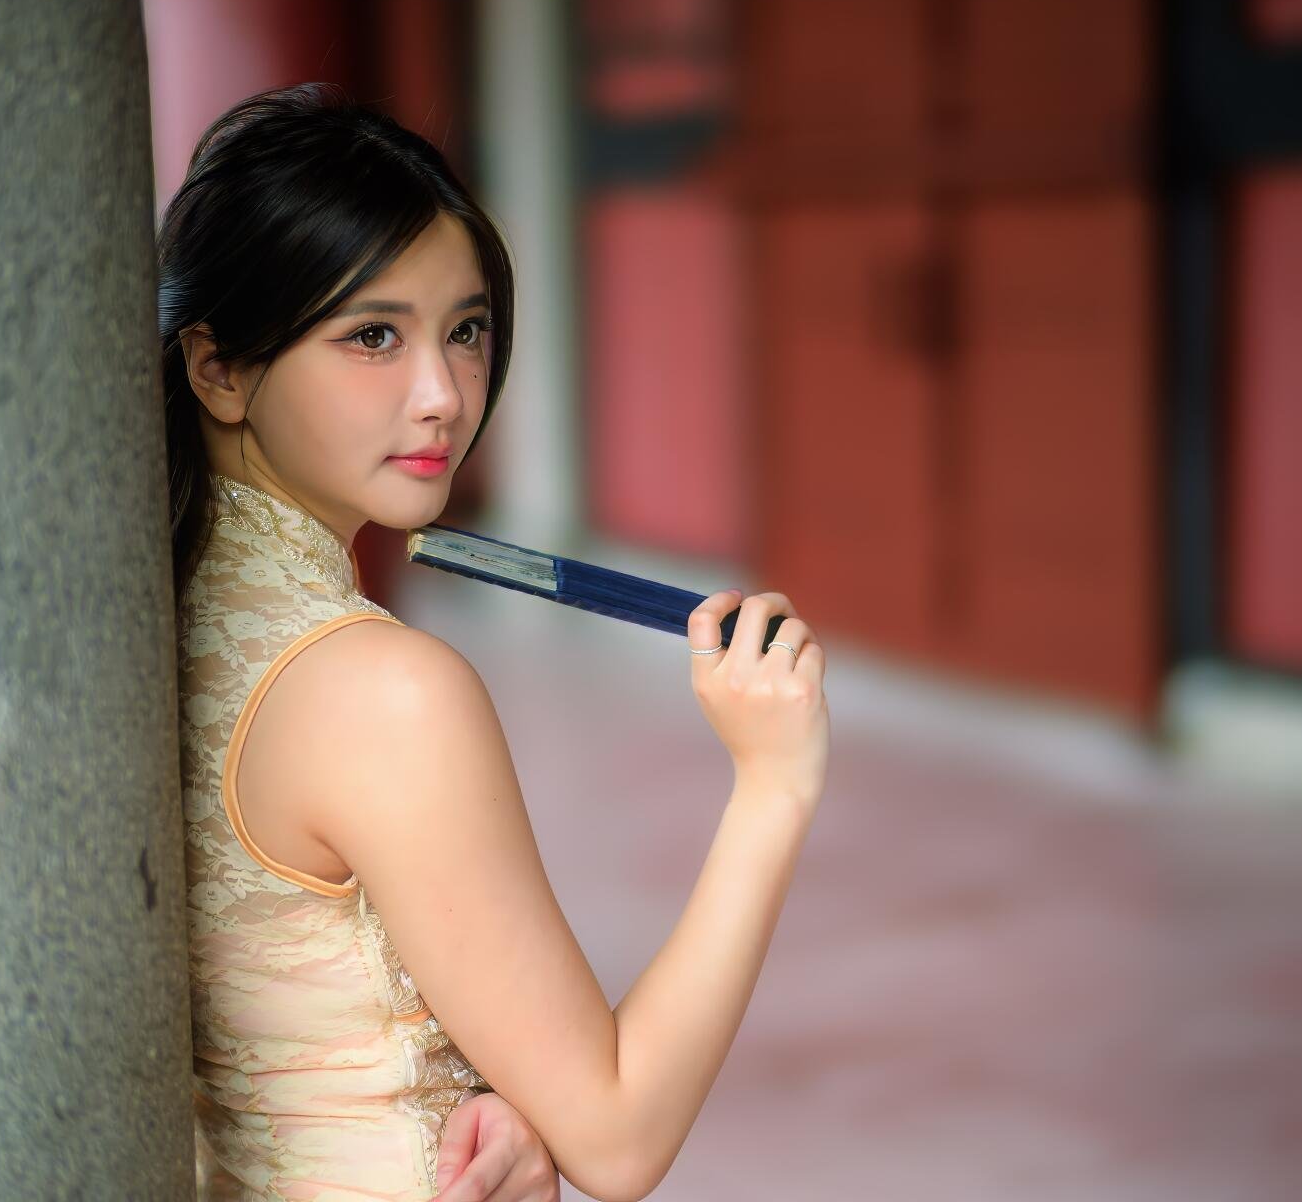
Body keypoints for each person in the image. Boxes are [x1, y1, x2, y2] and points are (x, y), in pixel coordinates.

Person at [161, 83, 829, 1202]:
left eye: (465, 331)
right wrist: (772, 785)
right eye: (372, 334)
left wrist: (499, 1095)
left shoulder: (150, 616)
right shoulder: (382, 693)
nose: (443, 395)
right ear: (218, 367)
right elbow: (617, 1136)